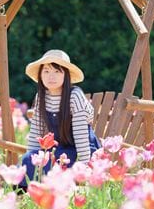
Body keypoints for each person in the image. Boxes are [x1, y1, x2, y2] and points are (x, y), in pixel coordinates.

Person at [18, 49, 100, 190]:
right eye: (46, 71)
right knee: (27, 161)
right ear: (40, 75)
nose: (51, 76)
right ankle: (28, 200)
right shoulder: (41, 97)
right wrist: (32, 157)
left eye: (57, 72)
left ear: (66, 75)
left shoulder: (74, 96)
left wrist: (85, 166)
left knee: (53, 166)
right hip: (58, 149)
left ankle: (44, 197)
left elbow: (81, 137)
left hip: (80, 151)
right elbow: (35, 133)